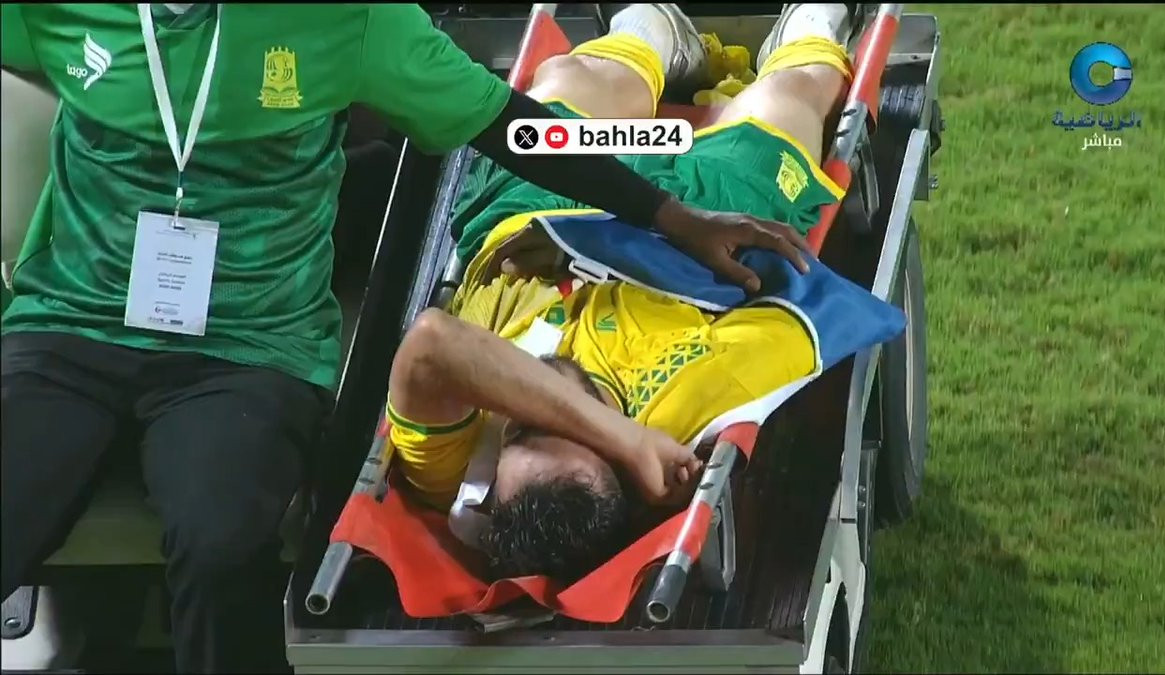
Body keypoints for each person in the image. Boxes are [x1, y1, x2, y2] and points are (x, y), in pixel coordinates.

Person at [0, 3, 813, 673]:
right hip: (67, 323)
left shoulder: (345, 19)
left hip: (246, 346)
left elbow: (508, 126)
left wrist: (670, 216)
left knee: (221, 546)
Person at [386, 3, 858, 582]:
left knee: (562, 86)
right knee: (788, 100)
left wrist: (619, 435)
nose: (540, 400)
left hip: (542, 204)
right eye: (572, 427)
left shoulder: (456, 472)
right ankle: (807, 33)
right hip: (709, 221)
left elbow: (433, 342)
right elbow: (793, 300)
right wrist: (634, 438)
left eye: (520, 427)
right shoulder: (694, 402)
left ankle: (654, 31)